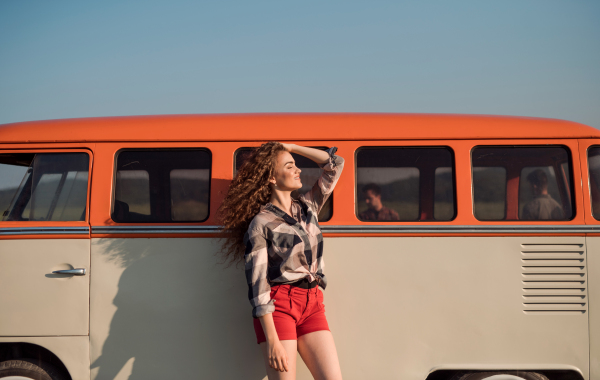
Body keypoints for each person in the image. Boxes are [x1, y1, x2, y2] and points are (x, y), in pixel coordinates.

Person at [219, 142, 344, 380]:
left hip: (313, 303)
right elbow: (258, 284)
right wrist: (272, 341)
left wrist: (291, 147)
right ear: (272, 179)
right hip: (279, 308)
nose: (298, 170)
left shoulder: (309, 207)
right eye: (290, 166)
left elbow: (335, 165)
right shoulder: (261, 223)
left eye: (296, 165)